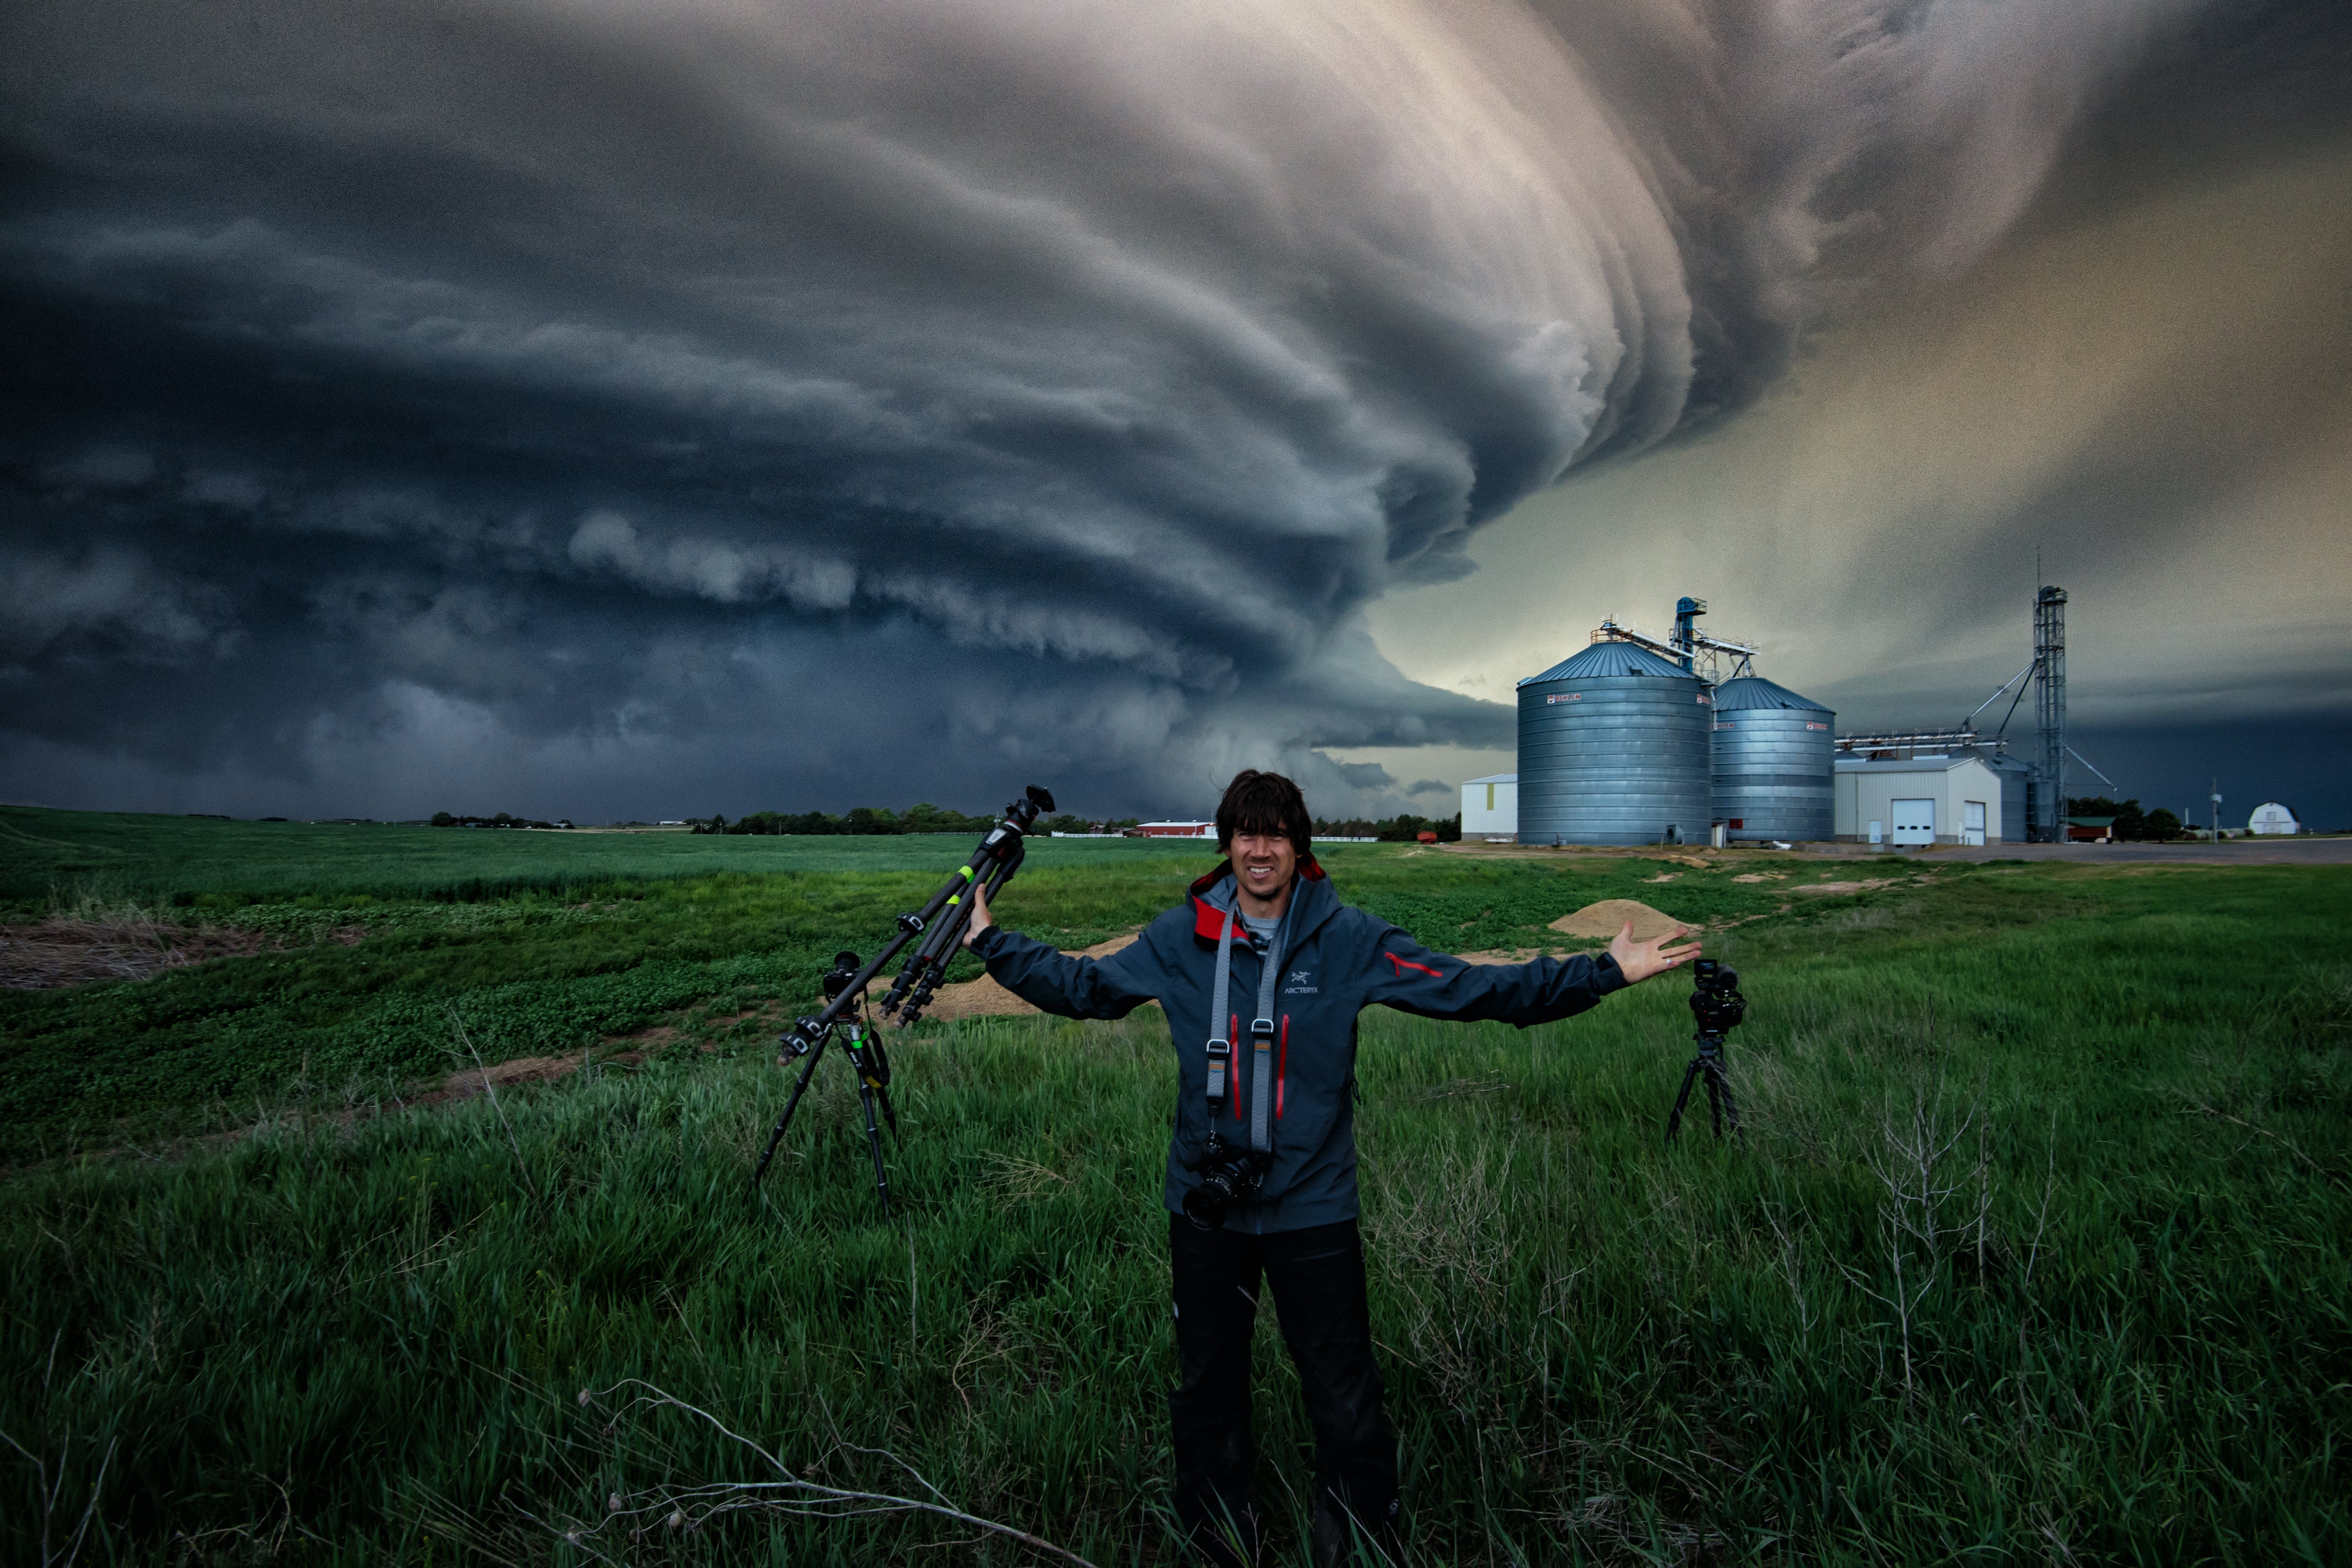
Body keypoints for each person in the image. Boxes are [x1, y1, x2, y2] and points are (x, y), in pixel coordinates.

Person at [963, 769, 1698, 1566]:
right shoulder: (1180, 940)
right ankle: (1218, 1534)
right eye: (1245, 832)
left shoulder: (1350, 941)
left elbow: (1472, 989)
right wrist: (989, 943)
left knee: (1344, 1393)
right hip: (1206, 1208)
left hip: (1313, 1210)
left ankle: (1355, 1541)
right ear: (1227, 843)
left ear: (1298, 845)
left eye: (1275, 832)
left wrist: (1600, 973)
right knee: (1207, 1386)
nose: (1259, 848)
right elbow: (1084, 987)